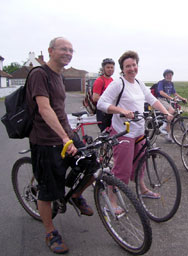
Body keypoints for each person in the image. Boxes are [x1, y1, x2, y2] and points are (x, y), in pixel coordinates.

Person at [26, 37, 95, 254]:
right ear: (50, 51)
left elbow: (58, 109)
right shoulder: (39, 74)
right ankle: (50, 232)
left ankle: (74, 195)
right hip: (46, 140)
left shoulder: (59, 76)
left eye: (71, 50)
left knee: (93, 164)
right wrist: (65, 139)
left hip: (66, 134)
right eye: (63, 49)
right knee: (48, 190)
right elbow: (45, 109)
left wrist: (70, 135)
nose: (68, 52)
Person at [97, 51, 173, 212]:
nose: (131, 68)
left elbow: (152, 100)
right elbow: (101, 103)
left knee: (141, 162)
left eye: (134, 65)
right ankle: (111, 200)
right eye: (127, 66)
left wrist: (166, 112)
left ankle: (142, 188)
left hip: (139, 130)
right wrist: (122, 111)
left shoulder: (138, 83)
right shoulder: (118, 83)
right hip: (123, 131)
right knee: (122, 169)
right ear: (122, 69)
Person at [157, 69, 187, 142]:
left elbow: (175, 93)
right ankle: (164, 127)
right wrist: (171, 98)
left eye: (170, 75)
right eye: (167, 75)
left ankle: (167, 133)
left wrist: (183, 99)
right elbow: (161, 92)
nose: (169, 76)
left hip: (168, 100)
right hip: (161, 99)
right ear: (165, 76)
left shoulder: (171, 84)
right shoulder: (161, 82)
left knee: (171, 115)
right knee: (171, 111)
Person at [92, 58, 115, 131]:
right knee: (105, 134)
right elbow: (95, 98)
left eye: (112, 67)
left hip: (110, 110)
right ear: (103, 69)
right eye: (108, 67)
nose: (110, 69)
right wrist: (108, 100)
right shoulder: (100, 80)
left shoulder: (112, 80)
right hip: (102, 112)